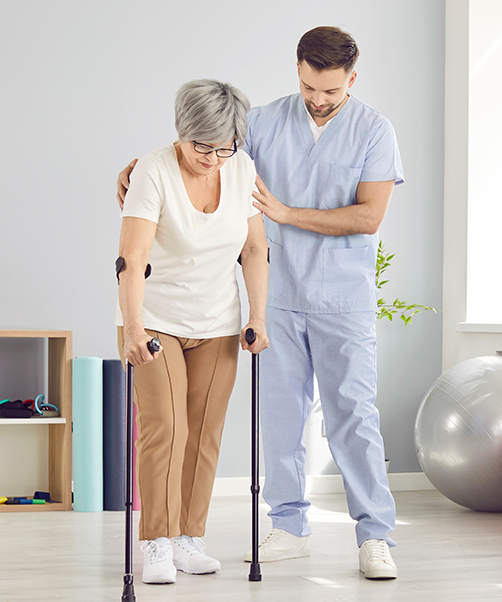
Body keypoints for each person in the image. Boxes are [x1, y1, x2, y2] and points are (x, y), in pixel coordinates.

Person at [117, 26, 403, 580]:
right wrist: (136, 171)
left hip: (342, 299)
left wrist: (287, 213)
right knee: (280, 420)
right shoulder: (266, 123)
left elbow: (369, 216)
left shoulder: (374, 131)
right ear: (297, 71)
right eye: (309, 87)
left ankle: (375, 535)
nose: (318, 101)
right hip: (275, 299)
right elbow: (203, 153)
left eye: (331, 92)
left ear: (352, 79)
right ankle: (289, 525)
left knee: (353, 419)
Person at [116, 79, 269, 585]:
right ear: (182, 132)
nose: (213, 157)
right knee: (167, 428)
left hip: (218, 321)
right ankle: (156, 542)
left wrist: (257, 316)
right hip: (155, 320)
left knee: (204, 433)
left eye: (224, 147)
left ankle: (188, 539)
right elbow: (132, 258)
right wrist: (133, 328)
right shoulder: (152, 172)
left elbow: (253, 250)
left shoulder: (242, 168)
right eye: (203, 145)